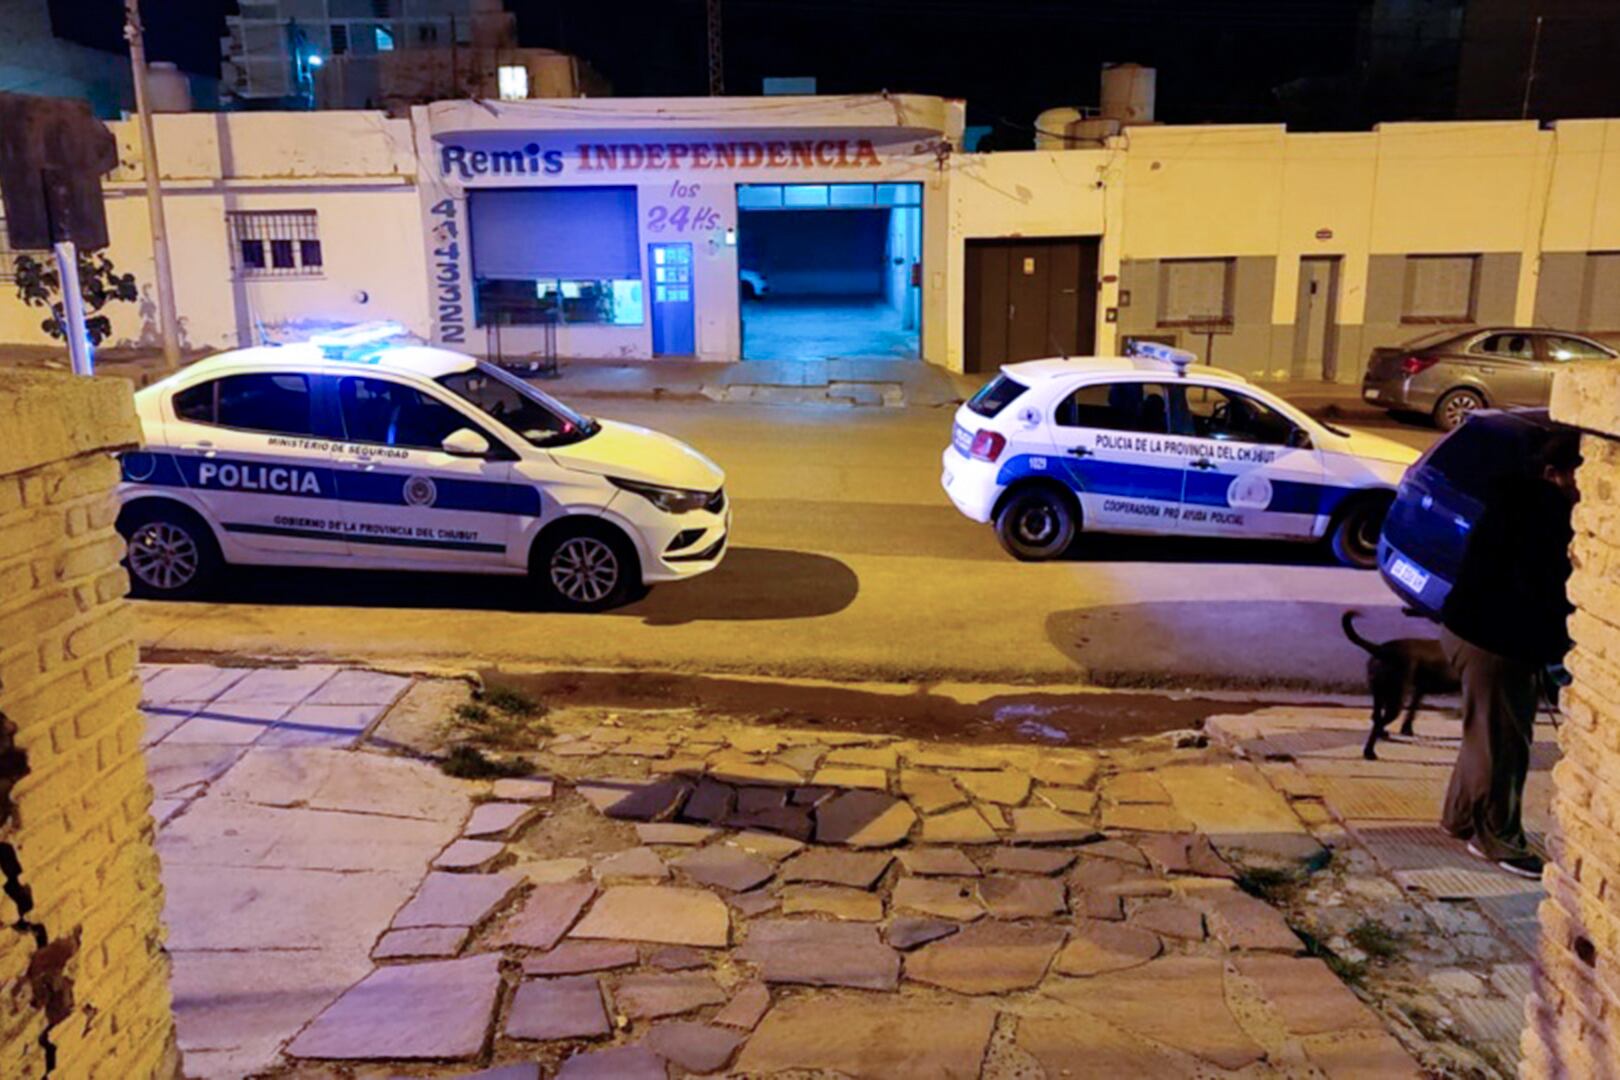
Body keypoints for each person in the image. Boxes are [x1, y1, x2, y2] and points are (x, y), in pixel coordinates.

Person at [1439, 429, 1581, 880]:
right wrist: (1555, 649)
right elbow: (1539, 592)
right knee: (1503, 746)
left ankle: (1460, 818)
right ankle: (1496, 839)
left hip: (1467, 630)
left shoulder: (1514, 501)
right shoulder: (1545, 515)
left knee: (1483, 732)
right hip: (1496, 641)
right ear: (1554, 472)